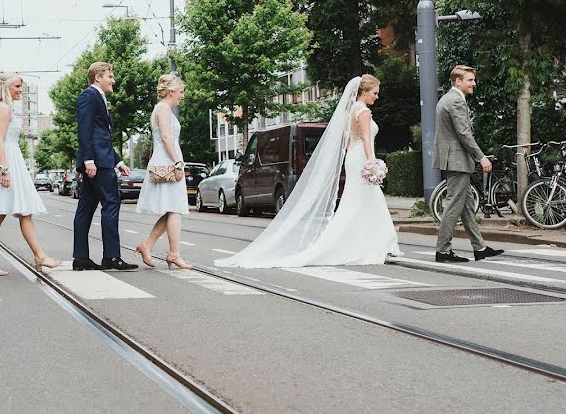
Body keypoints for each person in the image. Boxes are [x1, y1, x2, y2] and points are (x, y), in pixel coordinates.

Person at [215, 74, 401, 268]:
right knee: (367, 198)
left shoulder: (350, 111)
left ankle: (367, 242)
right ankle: (378, 243)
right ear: (364, 91)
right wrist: (372, 162)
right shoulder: (363, 112)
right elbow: (365, 139)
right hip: (362, 158)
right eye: (375, 93)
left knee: (357, 200)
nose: (376, 97)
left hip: (353, 158)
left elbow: (347, 142)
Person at [0, 73, 60, 276]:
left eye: (22, 86)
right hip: (6, 162)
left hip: (8, 160)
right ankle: (39, 256)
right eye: (17, 86)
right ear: (7, 87)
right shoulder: (5, 109)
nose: (21, 90)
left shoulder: (3, 108)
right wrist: (3, 170)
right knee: (23, 212)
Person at [433, 65, 503, 263]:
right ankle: (443, 250)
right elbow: (464, 133)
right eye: (470, 80)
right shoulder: (455, 101)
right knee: (454, 205)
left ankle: (479, 247)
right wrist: (481, 157)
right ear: (458, 81)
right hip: (457, 160)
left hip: (454, 159)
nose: (474, 84)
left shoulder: (448, 98)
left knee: (467, 205)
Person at [71, 62, 137, 271]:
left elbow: (101, 135)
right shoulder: (89, 96)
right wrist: (89, 160)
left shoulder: (98, 97)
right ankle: (111, 257)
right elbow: (85, 129)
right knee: (111, 203)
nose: (113, 80)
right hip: (97, 164)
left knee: (86, 208)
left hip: (102, 160)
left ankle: (81, 258)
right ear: (98, 77)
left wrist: (118, 161)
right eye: (110, 76)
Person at [134, 74, 192, 269]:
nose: (182, 96)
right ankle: (173, 254)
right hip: (168, 161)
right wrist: (177, 163)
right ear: (171, 91)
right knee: (175, 209)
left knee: (172, 209)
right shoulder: (164, 109)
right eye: (181, 92)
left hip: (165, 159)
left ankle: (147, 245)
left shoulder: (163, 109)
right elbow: (167, 138)